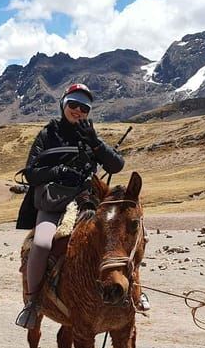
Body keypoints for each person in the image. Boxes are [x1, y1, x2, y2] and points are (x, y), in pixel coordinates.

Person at [14, 82, 149, 328]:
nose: (78, 111)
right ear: (63, 105)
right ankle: (33, 303)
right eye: (73, 105)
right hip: (54, 203)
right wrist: (59, 171)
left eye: (84, 108)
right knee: (43, 243)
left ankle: (134, 294)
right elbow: (31, 173)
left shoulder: (89, 134)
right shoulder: (48, 133)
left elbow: (116, 165)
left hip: (88, 202)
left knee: (123, 239)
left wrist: (94, 141)